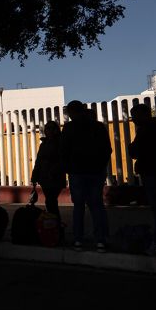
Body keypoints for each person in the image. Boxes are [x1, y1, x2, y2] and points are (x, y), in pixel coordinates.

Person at [61, 100, 112, 253]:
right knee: (97, 206)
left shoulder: (69, 128)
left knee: (78, 207)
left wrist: (68, 168)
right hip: (96, 172)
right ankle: (100, 240)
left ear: (70, 112)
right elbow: (107, 149)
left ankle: (78, 240)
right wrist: (101, 166)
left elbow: (64, 150)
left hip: (77, 172)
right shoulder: (98, 127)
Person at [128, 103, 156, 255]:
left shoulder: (145, 130)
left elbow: (134, 151)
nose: (133, 120)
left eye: (134, 116)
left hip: (151, 172)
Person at [31, 121, 66, 241]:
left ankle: (56, 228)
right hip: (45, 177)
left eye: (51, 128)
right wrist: (35, 176)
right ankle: (55, 228)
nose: (48, 131)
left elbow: (62, 161)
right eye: (47, 128)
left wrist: (53, 171)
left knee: (51, 202)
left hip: (54, 177)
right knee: (50, 203)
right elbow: (38, 161)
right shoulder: (44, 144)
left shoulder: (60, 143)